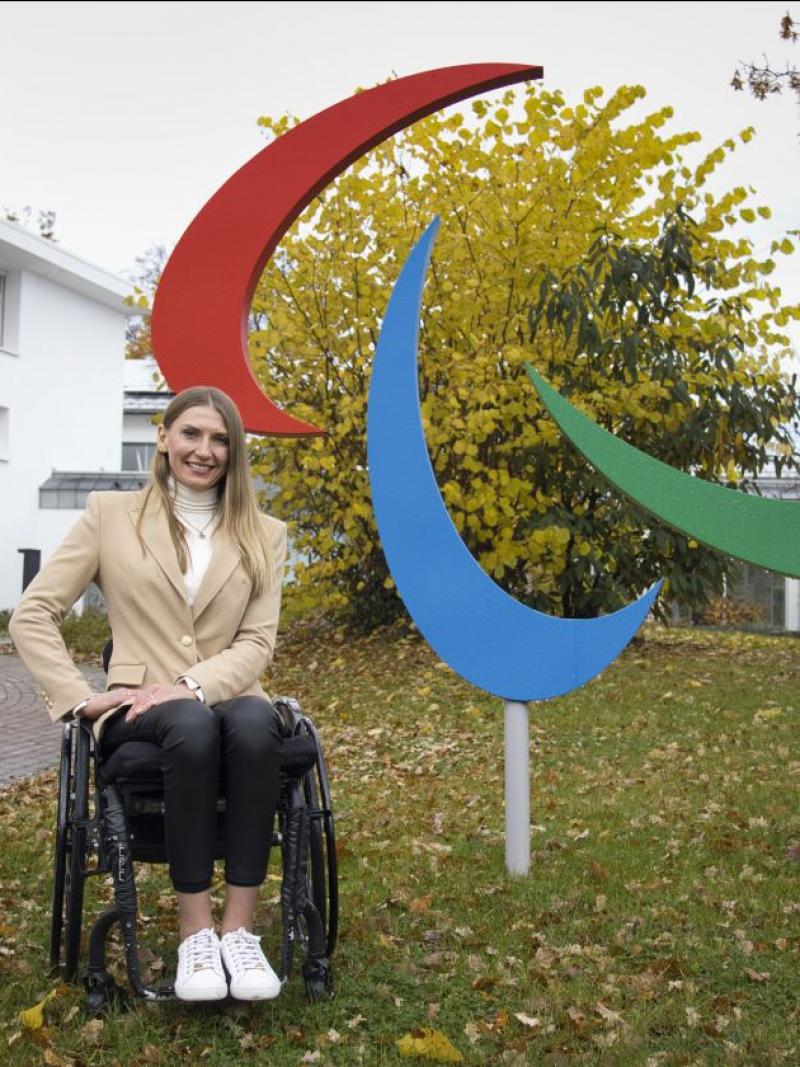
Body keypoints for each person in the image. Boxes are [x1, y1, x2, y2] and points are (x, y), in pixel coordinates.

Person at [9, 385, 289, 1002]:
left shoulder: (263, 533)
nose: (204, 450)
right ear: (163, 438)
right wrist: (78, 697)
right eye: (191, 433)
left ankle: (239, 932)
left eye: (220, 439)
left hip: (231, 693)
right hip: (139, 711)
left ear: (234, 451)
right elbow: (33, 613)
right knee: (189, 726)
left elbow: (257, 642)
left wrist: (189, 684)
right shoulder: (109, 515)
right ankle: (196, 936)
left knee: (253, 725)